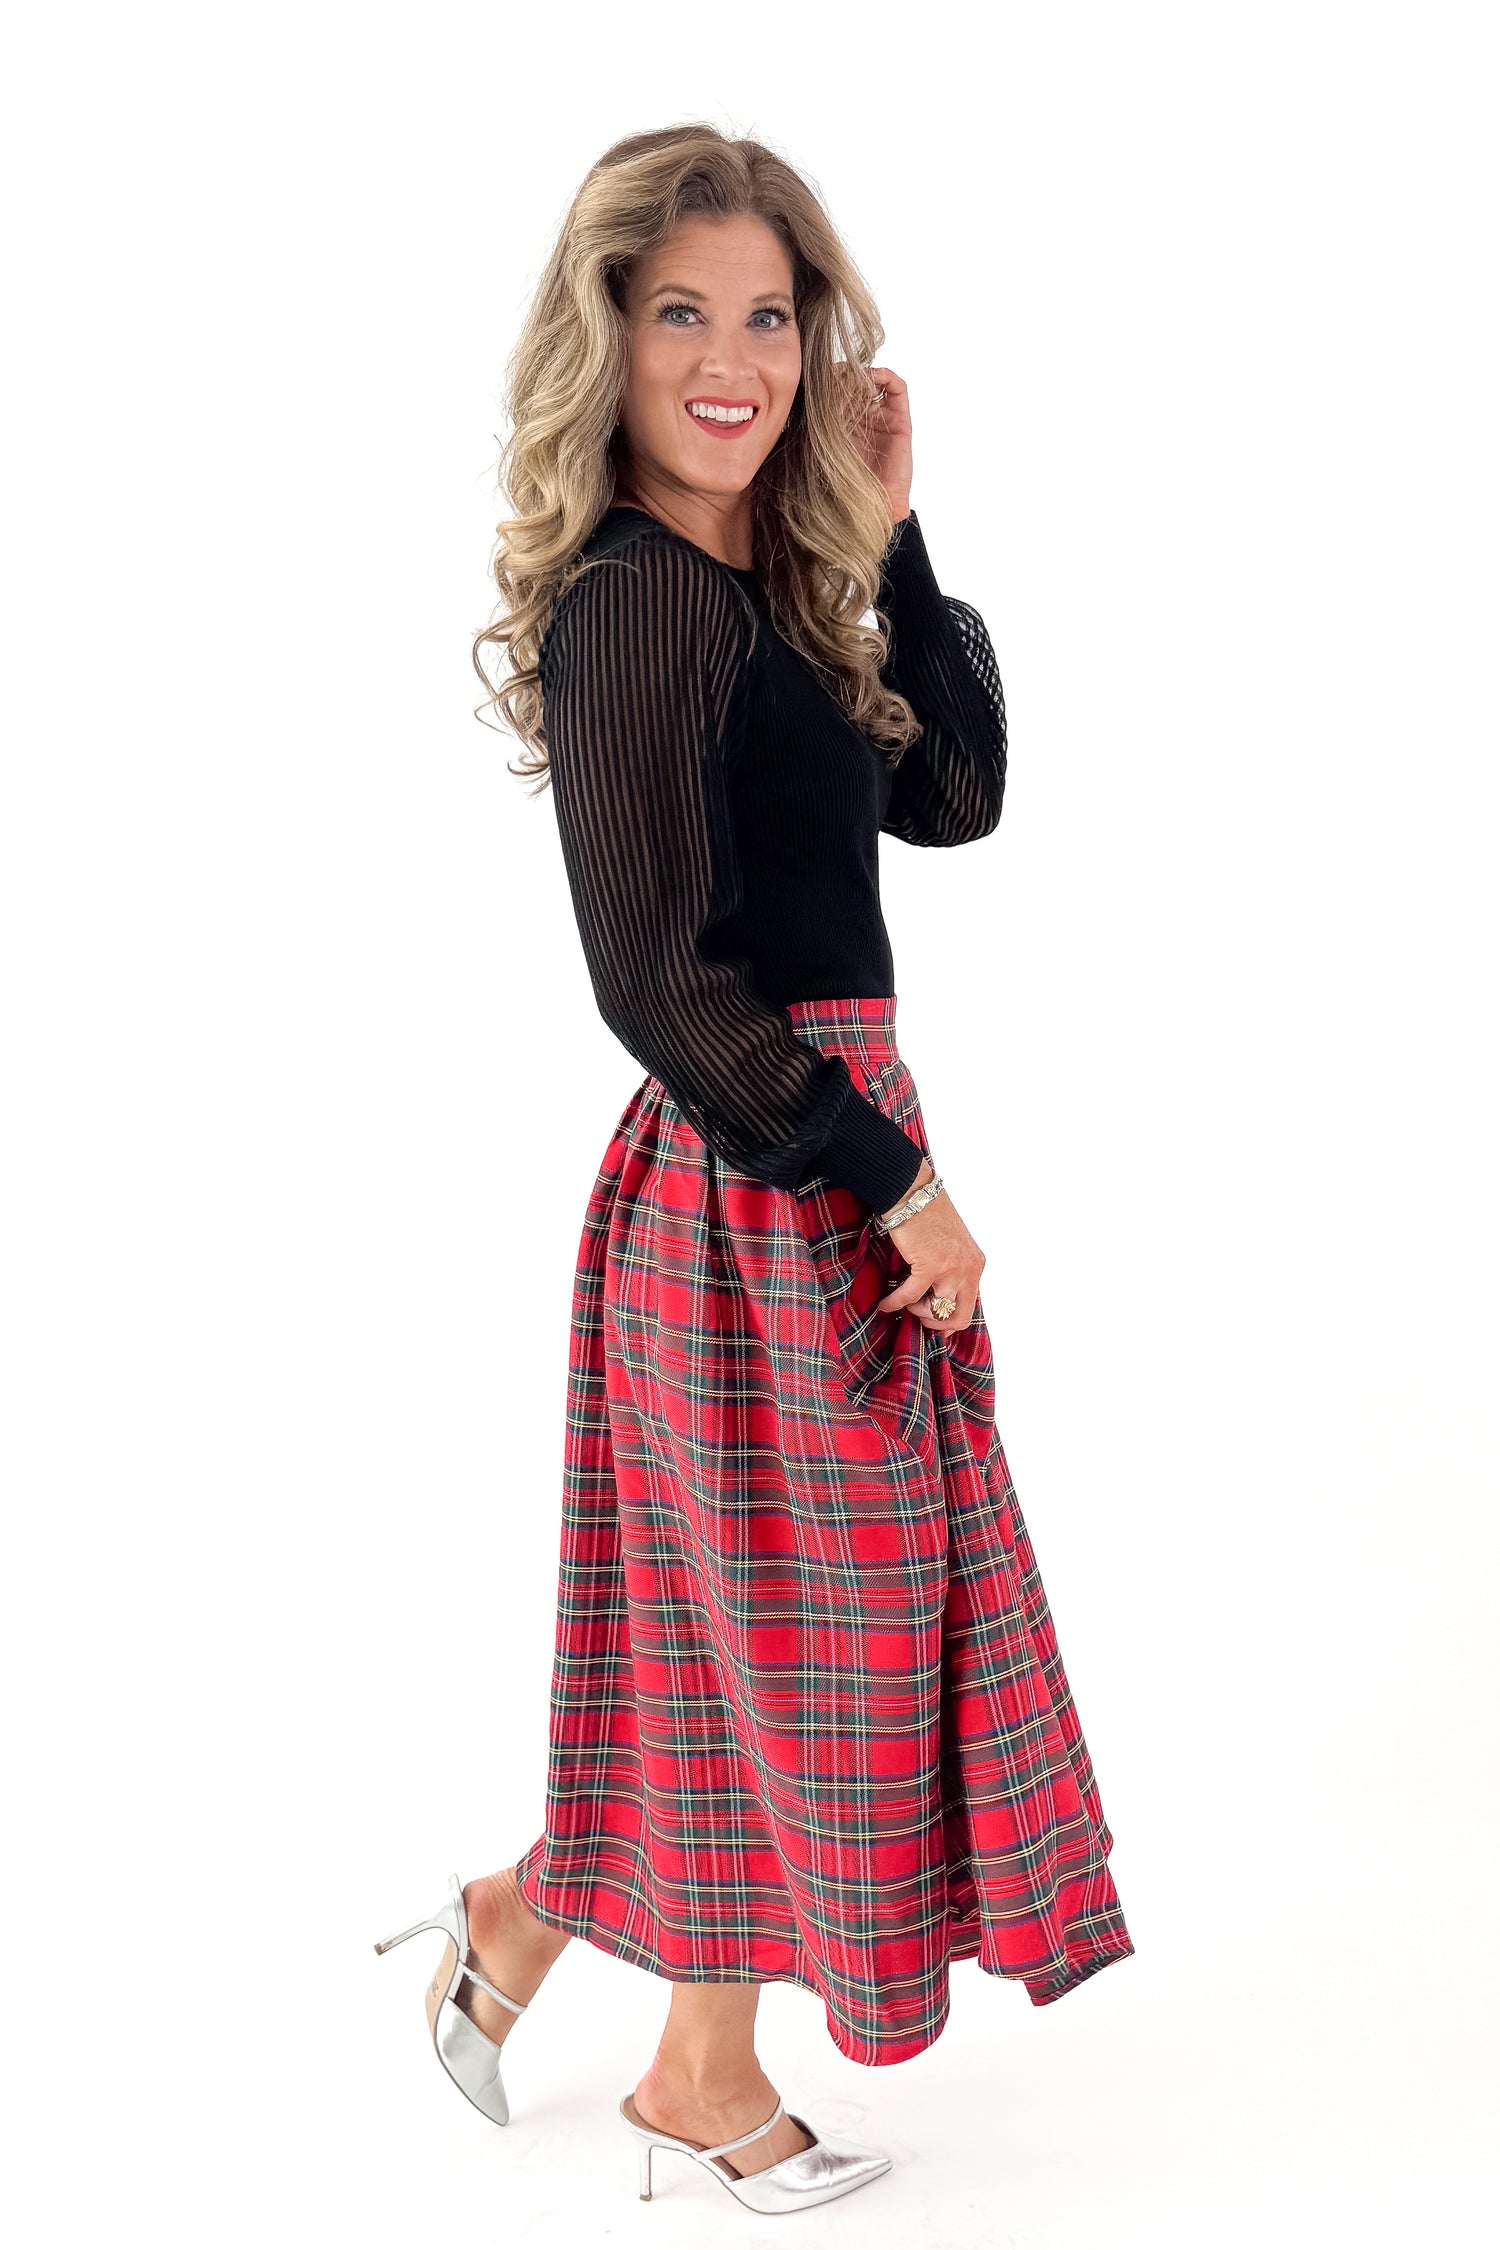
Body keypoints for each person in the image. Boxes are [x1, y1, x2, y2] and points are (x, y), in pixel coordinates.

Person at [376, 124, 1134, 2216]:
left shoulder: (762, 583)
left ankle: (528, 1926)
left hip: (810, 1138)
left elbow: (958, 800)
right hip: (752, 1164)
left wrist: (889, 535)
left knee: (783, 1636)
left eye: (771, 315)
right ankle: (691, 2074)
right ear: (603, 338)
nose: (732, 359)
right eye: (681, 312)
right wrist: (893, 1182)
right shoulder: (632, 599)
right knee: (816, 1638)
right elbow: (650, 975)